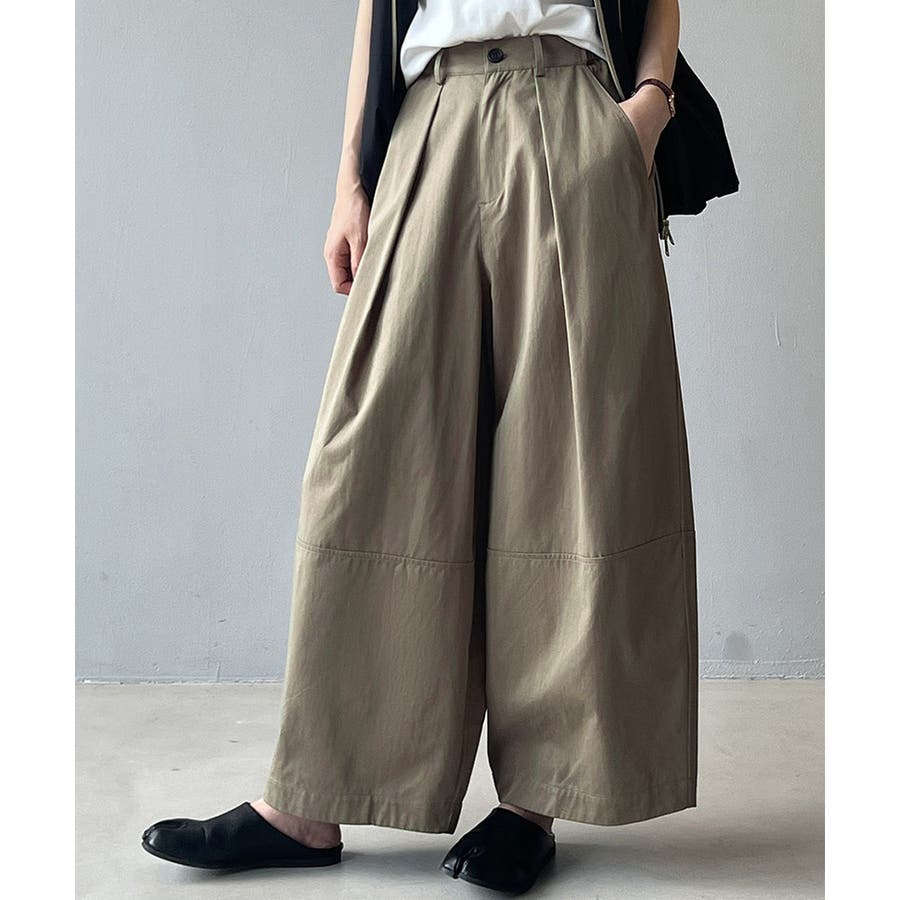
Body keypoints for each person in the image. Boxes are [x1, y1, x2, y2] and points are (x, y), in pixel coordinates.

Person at [141, 1, 738, 893]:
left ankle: (534, 801)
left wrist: (648, 106)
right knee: (371, 458)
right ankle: (309, 799)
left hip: (573, 109)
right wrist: (350, 180)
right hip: (430, 118)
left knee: (562, 460)